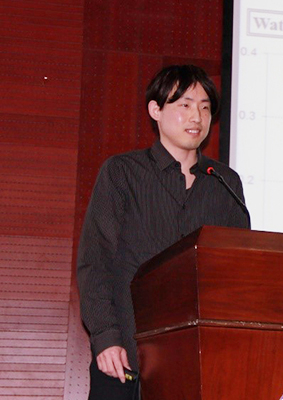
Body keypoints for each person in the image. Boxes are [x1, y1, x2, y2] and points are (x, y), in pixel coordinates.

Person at [76, 65, 250, 400]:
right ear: (155, 110)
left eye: (205, 107)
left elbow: (236, 274)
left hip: (198, 361)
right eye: (185, 105)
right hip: (125, 355)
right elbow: (95, 261)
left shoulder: (224, 183)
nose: (197, 117)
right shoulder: (122, 173)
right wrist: (106, 336)